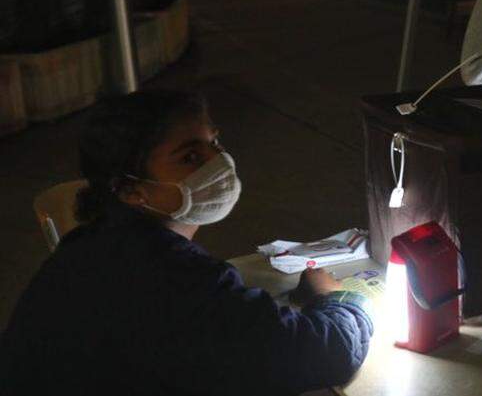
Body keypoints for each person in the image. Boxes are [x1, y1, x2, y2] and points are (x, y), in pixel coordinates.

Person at [0, 91, 374, 396]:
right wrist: (340, 299)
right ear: (130, 189)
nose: (219, 162)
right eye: (190, 157)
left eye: (215, 143)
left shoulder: (95, 242)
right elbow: (325, 354)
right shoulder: (170, 278)